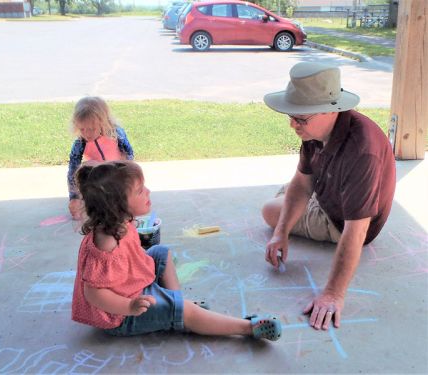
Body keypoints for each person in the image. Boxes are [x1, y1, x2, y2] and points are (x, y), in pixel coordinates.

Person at [71, 160, 282, 341]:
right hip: (121, 315)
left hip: (130, 287)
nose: (148, 192)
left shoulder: (120, 222)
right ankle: (246, 327)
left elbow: (129, 259)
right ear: (116, 205)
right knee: (186, 311)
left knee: (161, 252)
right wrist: (129, 307)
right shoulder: (106, 243)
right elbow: (94, 294)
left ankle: (177, 306)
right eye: (139, 190)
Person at [261, 62, 395, 331]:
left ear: (329, 110)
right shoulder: (315, 129)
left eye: (300, 118)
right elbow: (301, 182)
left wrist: (333, 293)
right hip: (329, 191)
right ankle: (301, 211)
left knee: (269, 209)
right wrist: (281, 233)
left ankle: (307, 211)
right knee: (287, 197)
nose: (292, 125)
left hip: (343, 220)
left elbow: (356, 230)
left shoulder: (361, 151)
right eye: (292, 115)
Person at [67, 96, 134, 220]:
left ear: (104, 122)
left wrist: (127, 172)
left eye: (92, 129)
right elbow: (73, 169)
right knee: (96, 209)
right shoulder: (80, 143)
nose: (87, 134)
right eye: (82, 129)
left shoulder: (116, 134)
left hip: (117, 174)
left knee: (122, 208)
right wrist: (74, 197)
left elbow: (129, 153)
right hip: (97, 179)